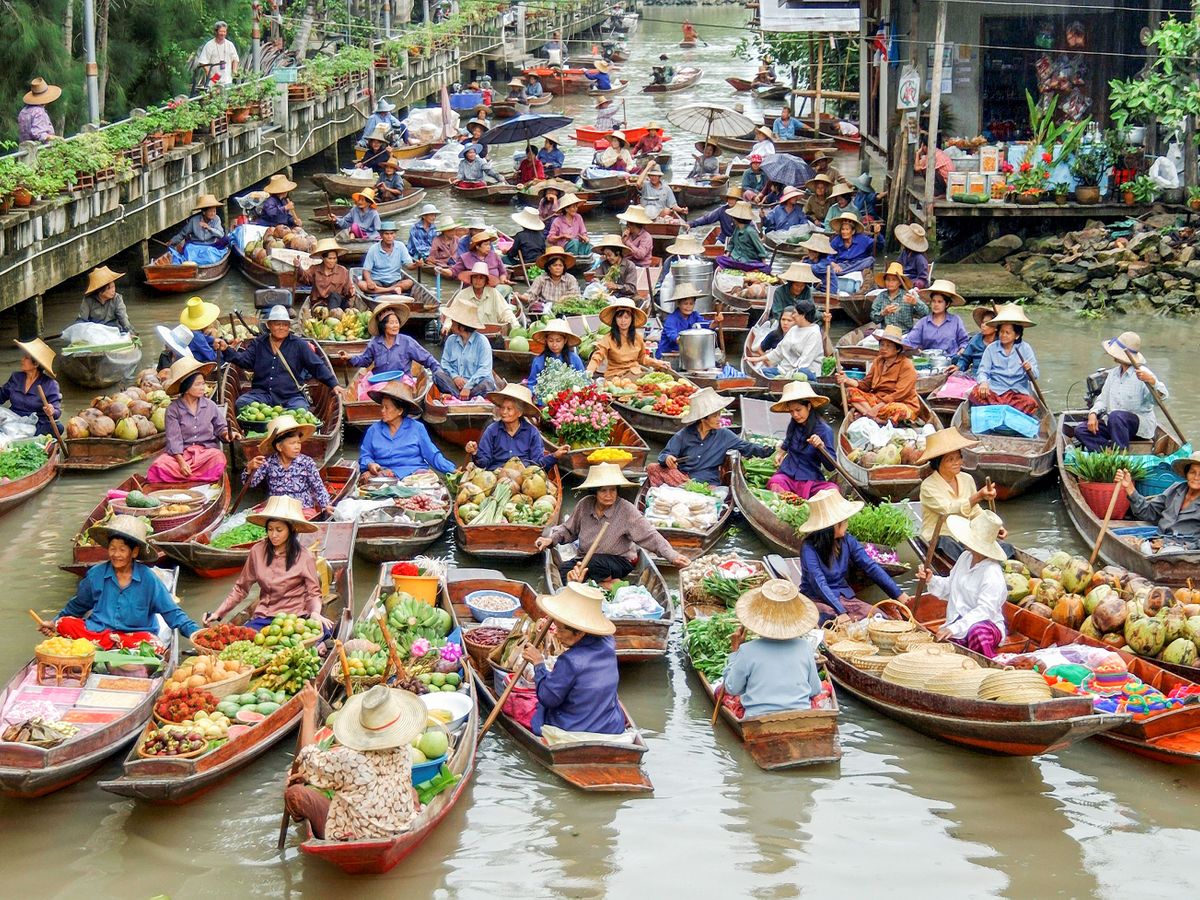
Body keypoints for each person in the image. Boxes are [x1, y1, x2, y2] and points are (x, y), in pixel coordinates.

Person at [283, 681, 424, 841]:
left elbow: (307, 758)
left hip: (356, 834)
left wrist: (309, 709)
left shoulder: (350, 759)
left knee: (295, 794)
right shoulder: (404, 748)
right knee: (411, 791)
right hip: (400, 827)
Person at [43, 516, 199, 647]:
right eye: (112, 548)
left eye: (122, 549)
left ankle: (109, 647)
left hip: (133, 637)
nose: (116, 554)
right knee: (64, 623)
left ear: (134, 552)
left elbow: (172, 613)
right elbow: (77, 606)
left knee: (153, 644)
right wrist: (54, 622)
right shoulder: (95, 574)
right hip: (99, 633)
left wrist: (195, 633)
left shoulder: (148, 579)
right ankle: (108, 646)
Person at [536, 463, 690, 578]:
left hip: (618, 562)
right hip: (584, 559)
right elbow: (568, 530)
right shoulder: (585, 505)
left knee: (592, 564)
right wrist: (551, 539)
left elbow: (650, 535)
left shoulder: (626, 509)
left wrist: (672, 555)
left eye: (613, 490)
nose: (609, 495)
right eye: (603, 490)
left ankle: (604, 582)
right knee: (564, 571)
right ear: (595, 492)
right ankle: (598, 583)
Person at [205, 494, 332, 631]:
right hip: (265, 618)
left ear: (292, 530)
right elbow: (241, 588)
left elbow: (313, 593)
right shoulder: (257, 551)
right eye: (270, 529)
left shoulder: (304, 556)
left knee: (324, 629)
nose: (274, 535)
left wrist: (315, 613)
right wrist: (218, 613)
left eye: (279, 530)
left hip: (296, 618)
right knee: (244, 637)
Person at [519, 583, 625, 738]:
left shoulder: (570, 661)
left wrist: (538, 664)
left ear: (580, 633)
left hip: (573, 728)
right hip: (610, 725)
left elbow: (548, 698)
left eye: (561, 630)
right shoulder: (608, 642)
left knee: (522, 705)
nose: (557, 634)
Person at [797, 490, 911, 622]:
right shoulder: (808, 548)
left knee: (879, 618)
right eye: (844, 521)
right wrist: (841, 611)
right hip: (817, 598)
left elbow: (870, 566)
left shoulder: (847, 541)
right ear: (833, 525)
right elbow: (818, 582)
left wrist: (899, 595)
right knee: (832, 619)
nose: (847, 524)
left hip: (843, 597)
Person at [721, 580, 826, 717]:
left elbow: (732, 688)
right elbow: (815, 690)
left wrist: (735, 652)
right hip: (799, 718)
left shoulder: (747, 650)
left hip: (757, 720)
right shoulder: (805, 647)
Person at [915, 512, 1009, 658]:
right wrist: (931, 579)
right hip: (956, 621)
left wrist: (956, 628)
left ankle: (988, 665)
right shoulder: (965, 557)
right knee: (941, 648)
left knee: (977, 633)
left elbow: (985, 611)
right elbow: (950, 587)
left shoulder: (992, 572)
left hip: (985, 626)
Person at [222, 306, 342, 411]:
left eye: (285, 324)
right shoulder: (259, 343)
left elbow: (316, 366)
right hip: (262, 395)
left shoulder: (299, 344)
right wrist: (226, 349)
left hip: (290, 396)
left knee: (301, 410)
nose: (281, 328)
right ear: (269, 325)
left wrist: (334, 384)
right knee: (242, 403)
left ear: (289, 326)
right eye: (277, 324)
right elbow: (244, 360)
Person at [650, 388, 772, 486]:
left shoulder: (725, 435)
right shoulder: (684, 434)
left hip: (707, 481)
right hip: (682, 477)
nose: (720, 419)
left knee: (686, 484)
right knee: (652, 467)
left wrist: (772, 450)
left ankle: (688, 488)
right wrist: (668, 458)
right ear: (703, 418)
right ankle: (687, 487)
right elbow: (664, 454)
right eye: (715, 416)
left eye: (720, 414)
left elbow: (748, 447)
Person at [1077, 332, 1169, 451]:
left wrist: (1153, 382)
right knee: (1081, 430)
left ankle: (1121, 457)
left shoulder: (1143, 374)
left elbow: (1161, 399)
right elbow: (1102, 399)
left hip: (1138, 428)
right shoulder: (1113, 374)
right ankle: (1108, 453)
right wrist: (1093, 414)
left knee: (1116, 416)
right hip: (1114, 425)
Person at [144, 357, 226, 483]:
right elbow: (174, 439)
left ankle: (182, 477)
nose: (203, 387)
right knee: (159, 465)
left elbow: (221, 428)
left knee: (218, 458)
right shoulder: (173, 409)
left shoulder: (210, 405)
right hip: (181, 455)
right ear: (187, 389)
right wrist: (181, 463)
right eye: (198, 384)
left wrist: (227, 434)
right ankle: (195, 475)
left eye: (203, 383)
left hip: (205, 453)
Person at [360, 381, 455, 478]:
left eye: (387, 408)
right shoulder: (373, 430)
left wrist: (453, 470)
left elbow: (432, 455)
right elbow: (365, 456)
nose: (382, 411)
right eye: (382, 407)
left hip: (413, 476)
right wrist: (370, 464)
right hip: (384, 476)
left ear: (400, 411)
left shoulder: (417, 428)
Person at [243, 414, 331, 513]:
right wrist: (249, 468)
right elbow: (251, 483)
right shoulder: (268, 462)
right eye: (292, 443)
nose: (297, 447)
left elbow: (318, 487)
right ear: (279, 447)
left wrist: (326, 505)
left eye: (298, 443)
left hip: (302, 508)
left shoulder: (307, 462)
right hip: (276, 507)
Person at [466, 383, 567, 468]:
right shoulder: (492, 430)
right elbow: (484, 463)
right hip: (496, 474)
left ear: (519, 413)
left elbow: (538, 463)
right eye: (502, 408)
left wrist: (555, 455)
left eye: (509, 409)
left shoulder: (532, 432)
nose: (504, 412)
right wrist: (475, 452)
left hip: (524, 477)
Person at [766, 381, 838, 498]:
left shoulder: (824, 430)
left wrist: (821, 447)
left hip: (810, 479)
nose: (795, 415)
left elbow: (831, 466)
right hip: (787, 476)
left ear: (808, 406)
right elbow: (788, 440)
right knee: (775, 482)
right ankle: (789, 498)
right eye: (791, 411)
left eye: (798, 410)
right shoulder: (794, 424)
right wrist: (781, 452)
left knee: (832, 490)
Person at [837, 324, 920, 424]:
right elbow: (866, 385)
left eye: (888, 346)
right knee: (849, 391)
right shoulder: (878, 361)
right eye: (882, 345)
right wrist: (847, 380)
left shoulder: (906, 365)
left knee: (899, 410)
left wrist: (876, 408)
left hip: (900, 402)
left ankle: (869, 415)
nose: (883, 348)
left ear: (897, 349)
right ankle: (874, 418)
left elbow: (899, 394)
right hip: (877, 400)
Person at [969, 305, 1040, 416]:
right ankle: (1005, 411)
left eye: (1007, 333)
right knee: (975, 393)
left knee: (1030, 403)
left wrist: (1029, 369)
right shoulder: (991, 348)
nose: (1003, 335)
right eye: (1001, 332)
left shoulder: (1025, 348)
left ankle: (999, 410)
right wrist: (983, 383)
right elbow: (983, 371)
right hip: (996, 390)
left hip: (1017, 393)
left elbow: (1035, 375)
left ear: (1016, 335)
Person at [344, 301, 439, 380]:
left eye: (396, 322)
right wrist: (349, 358)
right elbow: (364, 361)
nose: (395, 326)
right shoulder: (375, 343)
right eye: (391, 323)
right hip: (379, 381)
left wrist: (437, 369)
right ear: (383, 326)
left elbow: (426, 358)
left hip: (402, 381)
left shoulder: (407, 341)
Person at [1116, 452, 1200, 539]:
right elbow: (1147, 512)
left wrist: (1182, 545)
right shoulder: (1176, 489)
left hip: (1184, 549)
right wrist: (1129, 487)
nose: (1196, 477)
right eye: (1192, 472)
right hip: (1158, 539)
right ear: (1187, 474)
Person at [587, 297, 672, 379]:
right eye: (619, 317)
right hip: (615, 376)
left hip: (635, 374)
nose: (623, 321)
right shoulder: (608, 338)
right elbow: (598, 356)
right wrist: (589, 371)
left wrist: (658, 363)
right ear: (615, 319)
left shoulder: (637, 337)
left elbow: (642, 358)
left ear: (632, 319)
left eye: (626, 317)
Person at [745, 299, 824, 380]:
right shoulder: (794, 329)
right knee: (762, 372)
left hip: (805, 371)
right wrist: (757, 359)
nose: (793, 315)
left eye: (795, 313)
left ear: (802, 315)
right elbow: (779, 351)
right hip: (785, 370)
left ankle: (781, 381)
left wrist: (786, 377)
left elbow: (805, 361)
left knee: (801, 374)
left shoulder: (814, 333)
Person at [435, 298, 495, 399]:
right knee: (437, 375)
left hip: (475, 385)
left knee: (487, 384)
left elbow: (484, 369)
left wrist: (468, 386)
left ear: (461, 327)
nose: (451, 324)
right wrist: (455, 377)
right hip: (455, 385)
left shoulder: (482, 342)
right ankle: (460, 397)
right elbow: (445, 363)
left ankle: (456, 397)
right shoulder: (450, 340)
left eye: (453, 322)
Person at [1, 337, 59, 437]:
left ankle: (21, 436)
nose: (22, 360)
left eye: (26, 358)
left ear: (36, 363)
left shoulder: (50, 384)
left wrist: (51, 410)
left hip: (36, 423)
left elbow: (56, 412)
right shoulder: (16, 377)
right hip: (13, 421)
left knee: (58, 427)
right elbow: (1, 395)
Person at [655, 285, 723, 358]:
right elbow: (674, 337)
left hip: (687, 354)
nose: (688, 307)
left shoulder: (695, 316)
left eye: (691, 304)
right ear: (679, 304)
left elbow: (706, 326)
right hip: (668, 355)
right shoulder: (671, 320)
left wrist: (716, 322)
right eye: (685, 304)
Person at [818, 209, 875, 294]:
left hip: (858, 264)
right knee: (825, 268)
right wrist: (835, 265)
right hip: (842, 265)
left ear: (853, 231)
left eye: (847, 229)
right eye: (843, 229)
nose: (844, 232)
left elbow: (878, 245)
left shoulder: (863, 239)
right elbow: (829, 257)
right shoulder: (837, 240)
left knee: (869, 260)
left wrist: (878, 233)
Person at [907, 279, 968, 356]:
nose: (936, 305)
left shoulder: (955, 321)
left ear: (947, 304)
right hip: (928, 361)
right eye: (933, 301)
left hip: (951, 362)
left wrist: (961, 352)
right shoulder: (923, 323)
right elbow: (910, 341)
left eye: (940, 302)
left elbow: (964, 341)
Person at [527, 318, 586, 398]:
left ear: (565, 341)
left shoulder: (575, 359)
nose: (554, 345)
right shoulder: (538, 361)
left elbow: (584, 381)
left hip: (570, 402)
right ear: (546, 340)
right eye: (551, 341)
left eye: (558, 341)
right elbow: (532, 384)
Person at [452, 261, 519, 331]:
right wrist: (446, 326)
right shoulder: (463, 294)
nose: (477, 280)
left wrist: (515, 326)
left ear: (486, 281)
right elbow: (452, 313)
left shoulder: (493, 293)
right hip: (468, 334)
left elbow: (505, 312)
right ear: (471, 279)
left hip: (491, 333)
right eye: (475, 277)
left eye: (481, 278)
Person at [359, 221, 415, 295]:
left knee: (409, 282)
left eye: (392, 233)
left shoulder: (400, 246)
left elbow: (408, 265)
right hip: (377, 281)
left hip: (395, 281)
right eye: (386, 234)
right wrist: (369, 281)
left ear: (395, 235)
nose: (389, 237)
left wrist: (416, 265)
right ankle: (391, 290)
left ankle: (384, 290)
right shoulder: (373, 249)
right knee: (361, 284)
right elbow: (366, 270)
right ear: (381, 235)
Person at [300, 239, 355, 313]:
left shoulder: (343, 271)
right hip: (319, 304)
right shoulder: (315, 269)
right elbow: (305, 279)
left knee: (334, 296)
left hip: (338, 305)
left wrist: (351, 291)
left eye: (334, 258)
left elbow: (348, 291)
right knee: (321, 311)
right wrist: (299, 268)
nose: (332, 261)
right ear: (323, 258)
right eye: (330, 258)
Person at [520, 247, 580, 313]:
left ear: (563, 267)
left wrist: (563, 299)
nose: (558, 268)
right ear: (549, 267)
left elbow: (575, 296)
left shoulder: (570, 279)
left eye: (560, 265)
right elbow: (531, 295)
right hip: (544, 310)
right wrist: (521, 297)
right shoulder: (541, 279)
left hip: (564, 310)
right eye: (555, 265)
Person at [716, 202, 771, 274]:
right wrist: (726, 255)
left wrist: (764, 264)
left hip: (749, 261)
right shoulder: (737, 229)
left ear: (735, 218)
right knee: (719, 259)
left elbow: (760, 248)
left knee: (763, 268)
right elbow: (731, 243)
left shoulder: (750, 231)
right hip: (736, 260)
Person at [79, 265, 135, 334]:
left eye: (113, 287)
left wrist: (130, 331)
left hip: (113, 329)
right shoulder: (88, 300)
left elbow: (123, 318)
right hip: (95, 331)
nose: (113, 290)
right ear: (100, 291)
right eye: (110, 288)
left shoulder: (117, 298)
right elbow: (82, 320)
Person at [871, 262, 927, 331]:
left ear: (900, 282)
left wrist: (915, 303)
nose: (890, 282)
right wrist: (883, 313)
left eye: (894, 280)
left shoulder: (908, 296)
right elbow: (874, 318)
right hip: (886, 334)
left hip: (904, 334)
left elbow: (926, 313)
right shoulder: (881, 296)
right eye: (888, 279)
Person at [952, 306, 997, 377]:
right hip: (975, 376)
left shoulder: (1001, 342)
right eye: (982, 322)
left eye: (986, 323)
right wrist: (958, 367)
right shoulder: (976, 340)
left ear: (996, 327)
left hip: (995, 378)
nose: (982, 325)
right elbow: (965, 358)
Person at [17, 77, 60, 142]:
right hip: (38, 149)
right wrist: (57, 139)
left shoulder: (24, 111)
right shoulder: (39, 112)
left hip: (24, 148)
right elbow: (39, 133)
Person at [197, 21, 239, 86]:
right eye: (221, 31)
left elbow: (235, 59)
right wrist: (211, 77)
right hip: (214, 82)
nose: (223, 34)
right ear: (216, 32)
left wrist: (234, 71)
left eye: (224, 31)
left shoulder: (229, 44)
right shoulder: (209, 45)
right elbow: (203, 62)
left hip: (228, 80)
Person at [895, 224, 930, 290]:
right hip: (901, 279)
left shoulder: (920, 258)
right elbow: (898, 265)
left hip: (913, 283)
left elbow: (923, 278)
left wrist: (915, 285)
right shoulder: (904, 252)